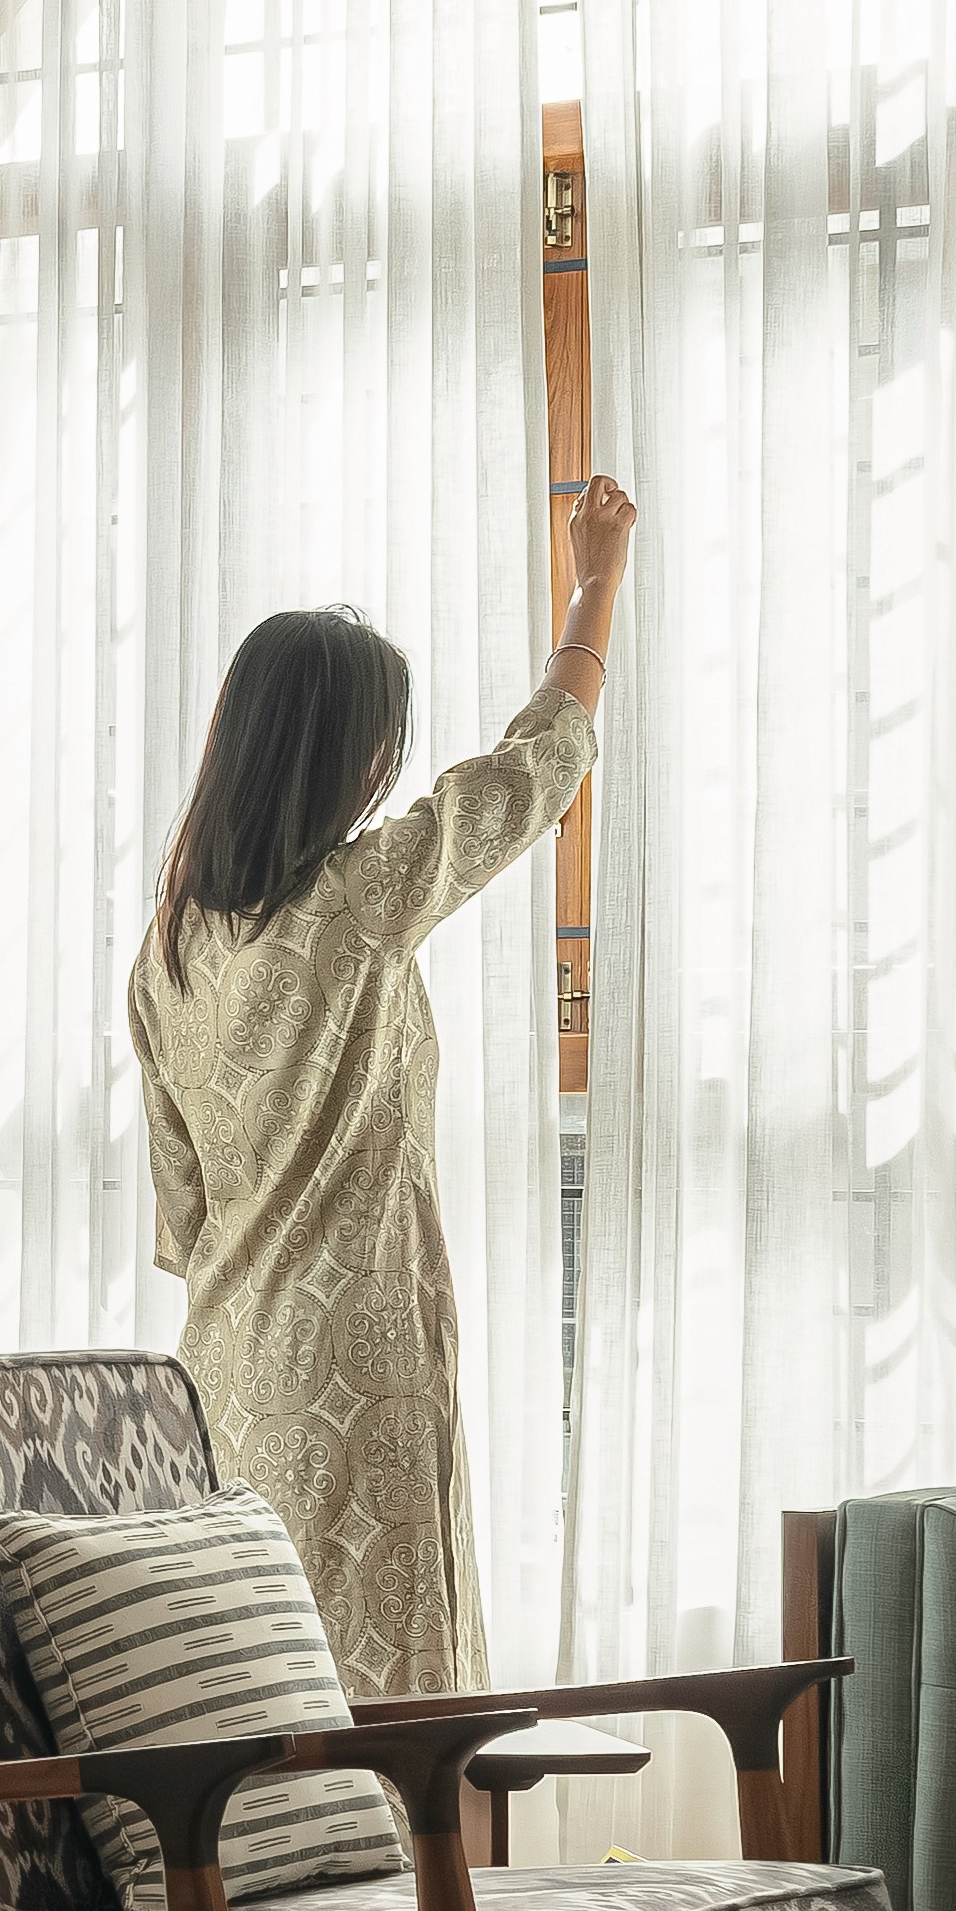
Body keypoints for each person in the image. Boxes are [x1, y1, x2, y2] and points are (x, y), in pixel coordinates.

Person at [131, 479, 636, 1698]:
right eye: (378, 746)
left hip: (222, 1385)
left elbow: (185, 1222)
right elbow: (535, 768)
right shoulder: (359, 902)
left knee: (263, 1714)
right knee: (401, 1717)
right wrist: (596, 586)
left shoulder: (167, 954)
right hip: (358, 1375)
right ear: (341, 760)